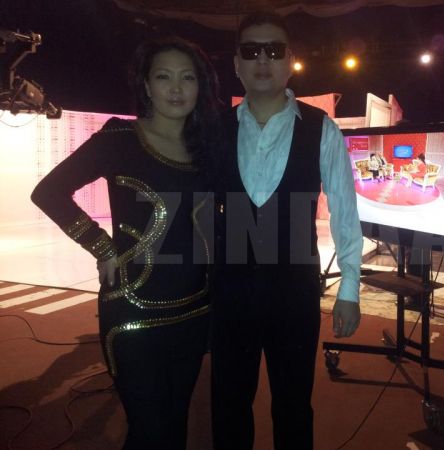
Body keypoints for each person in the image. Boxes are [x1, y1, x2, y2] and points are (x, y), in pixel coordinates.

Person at [30, 37, 222, 449]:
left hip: (195, 311)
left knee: (175, 424)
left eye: (187, 78)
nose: (176, 88)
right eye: (164, 77)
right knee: (148, 429)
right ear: (146, 85)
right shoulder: (119, 139)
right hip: (133, 312)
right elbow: (49, 193)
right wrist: (100, 246)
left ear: (200, 86)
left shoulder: (208, 147)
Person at [211, 12, 363, 450]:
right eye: (251, 51)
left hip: (294, 293)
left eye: (274, 50)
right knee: (228, 405)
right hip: (228, 293)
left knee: (294, 406)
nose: (263, 60)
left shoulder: (320, 128)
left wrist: (349, 289)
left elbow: (345, 210)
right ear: (237, 64)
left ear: (290, 60)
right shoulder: (214, 129)